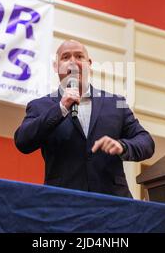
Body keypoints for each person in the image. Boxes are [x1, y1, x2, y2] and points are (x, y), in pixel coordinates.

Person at [14, 40, 155, 198]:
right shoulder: (41, 106)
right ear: (56, 66)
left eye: (79, 56)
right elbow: (22, 141)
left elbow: (146, 142)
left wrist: (122, 146)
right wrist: (61, 108)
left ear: (89, 64)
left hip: (112, 204)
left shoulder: (116, 103)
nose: (73, 62)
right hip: (62, 204)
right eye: (66, 57)